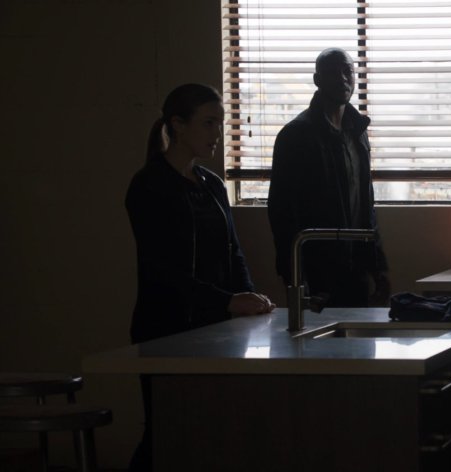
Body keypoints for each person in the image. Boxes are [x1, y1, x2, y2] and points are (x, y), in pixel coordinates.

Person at [125, 83, 275, 471]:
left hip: (216, 327)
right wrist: (227, 301)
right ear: (177, 125)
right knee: (167, 432)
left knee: (213, 428)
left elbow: (233, 250)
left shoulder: (211, 185)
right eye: (208, 123)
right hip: (166, 325)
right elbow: (162, 268)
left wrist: (248, 297)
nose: (217, 134)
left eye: (220, 123)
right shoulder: (149, 185)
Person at [268, 48, 389, 308]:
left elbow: (365, 205)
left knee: (360, 346)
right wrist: (296, 278)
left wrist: (378, 267)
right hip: (317, 270)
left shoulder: (357, 131)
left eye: (348, 71)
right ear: (317, 80)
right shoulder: (296, 135)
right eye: (333, 73)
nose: (343, 79)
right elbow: (282, 213)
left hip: (356, 268)